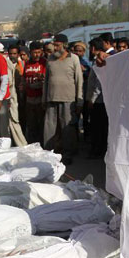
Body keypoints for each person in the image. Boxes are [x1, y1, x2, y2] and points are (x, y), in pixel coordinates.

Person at [43, 33, 83, 164]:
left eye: (57, 45)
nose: (55, 48)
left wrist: (79, 100)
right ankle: (49, 153)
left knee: (67, 128)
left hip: (68, 99)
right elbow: (46, 81)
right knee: (49, 127)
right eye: (54, 45)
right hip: (51, 98)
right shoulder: (50, 59)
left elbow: (79, 81)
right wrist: (44, 98)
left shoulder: (74, 59)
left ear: (64, 45)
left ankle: (68, 154)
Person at [86, 37, 108, 160]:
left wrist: (92, 99)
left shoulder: (100, 62)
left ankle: (98, 150)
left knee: (98, 128)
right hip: (100, 100)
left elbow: (98, 84)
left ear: (93, 48)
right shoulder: (96, 61)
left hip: (99, 101)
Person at [23, 41, 47, 145]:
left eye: (39, 52)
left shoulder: (44, 62)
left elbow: (45, 81)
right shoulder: (27, 63)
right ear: (30, 52)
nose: (37, 55)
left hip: (40, 98)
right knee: (31, 124)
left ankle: (42, 145)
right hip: (29, 98)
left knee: (41, 124)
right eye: (34, 52)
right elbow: (24, 78)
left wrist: (40, 78)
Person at [6, 44, 27, 146]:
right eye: (10, 53)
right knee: (13, 120)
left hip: (20, 96)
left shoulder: (21, 64)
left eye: (14, 53)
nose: (12, 56)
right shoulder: (6, 64)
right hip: (11, 97)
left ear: (18, 54)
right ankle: (21, 144)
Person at [72, 41, 91, 140]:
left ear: (83, 52)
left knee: (86, 116)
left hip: (85, 92)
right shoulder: (71, 61)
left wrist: (84, 70)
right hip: (74, 93)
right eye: (76, 51)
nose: (78, 53)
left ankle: (86, 137)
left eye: (80, 51)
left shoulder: (86, 62)